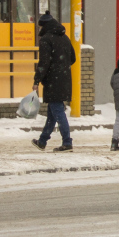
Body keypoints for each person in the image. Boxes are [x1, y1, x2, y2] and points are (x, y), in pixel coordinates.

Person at [31, 12, 76, 152]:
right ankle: (42, 141)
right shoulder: (65, 38)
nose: (39, 29)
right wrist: (62, 66)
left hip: (53, 81)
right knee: (52, 113)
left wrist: (37, 80)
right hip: (64, 79)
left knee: (58, 111)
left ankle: (67, 142)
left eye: (40, 27)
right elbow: (73, 58)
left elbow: (44, 62)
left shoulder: (46, 40)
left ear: (44, 26)